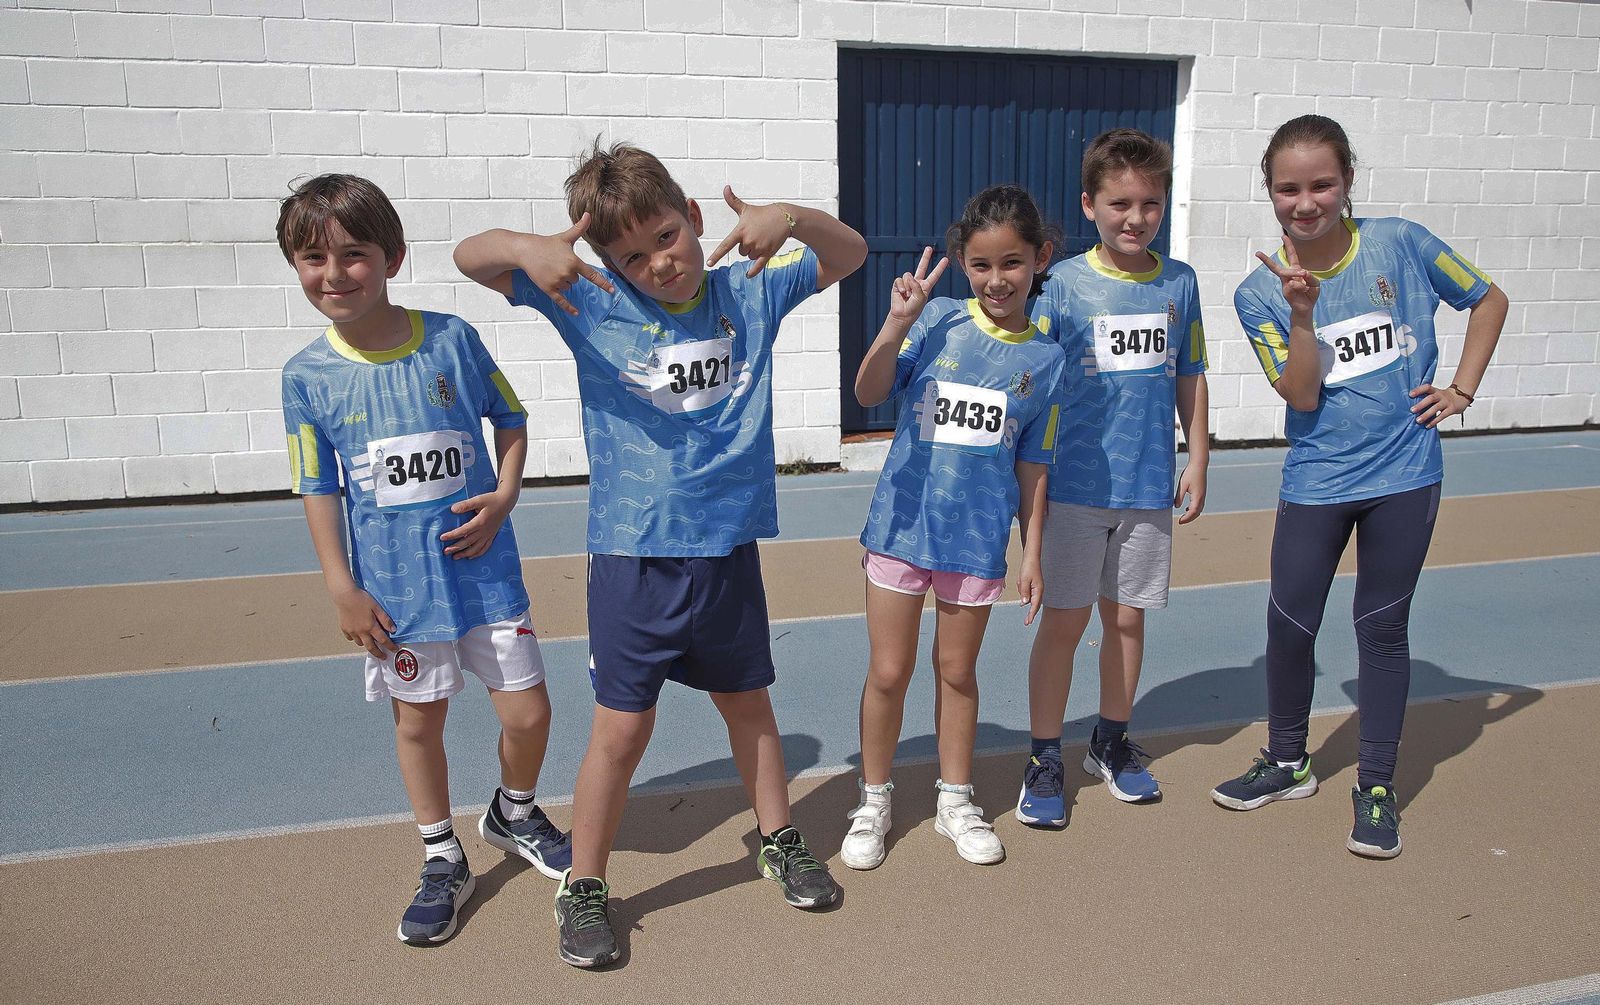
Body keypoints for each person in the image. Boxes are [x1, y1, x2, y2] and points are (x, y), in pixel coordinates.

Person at [454, 142, 868, 967]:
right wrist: (528, 246)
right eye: (632, 255)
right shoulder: (591, 301)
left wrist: (787, 218)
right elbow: (469, 258)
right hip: (634, 556)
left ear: (696, 219)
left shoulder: (748, 291)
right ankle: (584, 884)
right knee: (621, 730)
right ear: (607, 261)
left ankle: (778, 837)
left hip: (725, 554)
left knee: (749, 708)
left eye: (667, 237)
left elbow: (846, 252)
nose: (657, 263)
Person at [277, 174, 570, 946]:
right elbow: (318, 484)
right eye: (313, 258)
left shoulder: (451, 338)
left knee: (529, 711)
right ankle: (444, 855)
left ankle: (515, 809)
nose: (334, 273)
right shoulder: (307, 377)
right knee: (419, 723)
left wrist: (505, 494)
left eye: (353, 254)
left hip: (485, 573)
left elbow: (510, 417)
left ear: (393, 257)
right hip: (399, 593)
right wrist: (342, 584)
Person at [1212, 114, 1508, 859]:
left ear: (1347, 182)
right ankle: (1287, 761)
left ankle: (1375, 782)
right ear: (1269, 193)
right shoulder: (1259, 292)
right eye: (1288, 188)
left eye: (1321, 184)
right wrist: (1303, 315)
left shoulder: (1401, 242)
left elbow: (1489, 299)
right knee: (1289, 621)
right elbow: (1304, 396)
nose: (1305, 201)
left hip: (1405, 475)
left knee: (1380, 627)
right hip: (1317, 478)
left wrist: (1461, 390)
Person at [843, 185, 1066, 870]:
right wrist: (893, 324)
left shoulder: (1047, 361)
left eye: (1012, 263)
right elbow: (869, 392)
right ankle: (874, 799)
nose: (996, 279)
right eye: (981, 264)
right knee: (888, 670)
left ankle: (955, 800)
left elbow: (1034, 466)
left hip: (975, 543)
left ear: (1039, 259)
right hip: (902, 529)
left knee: (957, 671)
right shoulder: (936, 318)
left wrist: (1032, 553)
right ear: (965, 266)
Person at [1016, 129, 1210, 828]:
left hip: (1147, 486)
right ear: (1090, 204)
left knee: (1127, 621)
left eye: (1150, 203)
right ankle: (1043, 754)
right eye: (1120, 202)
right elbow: (1031, 380)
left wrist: (1198, 454)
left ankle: (1112, 739)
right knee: (1065, 624)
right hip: (1073, 489)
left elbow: (1191, 373)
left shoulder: (1179, 282)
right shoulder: (1062, 285)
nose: (1136, 217)